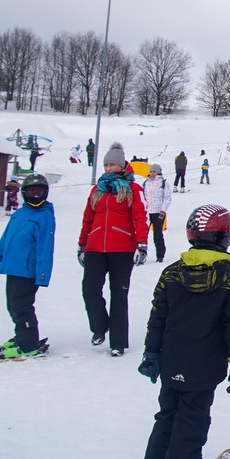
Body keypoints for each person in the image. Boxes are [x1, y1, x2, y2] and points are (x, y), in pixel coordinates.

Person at [130, 204, 230, 459]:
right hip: (204, 366)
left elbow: (157, 318)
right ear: (225, 237)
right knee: (190, 428)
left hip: (172, 363)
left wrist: (152, 354)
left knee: (167, 418)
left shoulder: (172, 272)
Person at [79, 142, 149, 357]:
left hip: (122, 248)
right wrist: (82, 244)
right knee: (90, 289)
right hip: (95, 246)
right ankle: (100, 327)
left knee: (119, 294)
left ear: (122, 165)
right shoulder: (98, 189)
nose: (108, 168)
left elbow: (141, 217)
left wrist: (142, 244)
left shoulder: (133, 189)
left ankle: (118, 342)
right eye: (106, 165)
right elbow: (88, 218)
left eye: (112, 165)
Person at [0, 174, 55, 359]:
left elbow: (45, 248)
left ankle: (28, 344)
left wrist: (42, 274)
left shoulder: (45, 216)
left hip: (28, 271)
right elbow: (6, 240)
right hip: (13, 268)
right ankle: (22, 336)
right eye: (32, 192)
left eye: (39, 192)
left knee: (22, 307)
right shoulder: (18, 214)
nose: (36, 196)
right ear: (25, 193)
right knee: (13, 306)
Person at [143, 164, 173, 263]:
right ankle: (141, 254)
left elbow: (167, 198)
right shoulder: (146, 183)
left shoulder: (163, 183)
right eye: (151, 172)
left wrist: (162, 211)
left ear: (158, 172)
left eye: (154, 172)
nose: (152, 174)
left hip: (158, 213)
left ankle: (160, 256)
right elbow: (143, 198)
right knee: (143, 234)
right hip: (147, 213)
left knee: (157, 235)